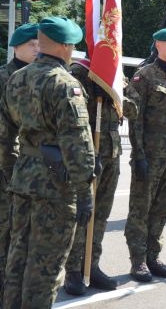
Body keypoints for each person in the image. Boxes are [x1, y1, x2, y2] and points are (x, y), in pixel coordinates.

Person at [0, 16, 95, 308]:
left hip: (23, 181)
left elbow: (5, 136)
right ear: (66, 47)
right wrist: (85, 195)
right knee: (46, 270)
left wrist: (12, 173)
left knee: (17, 261)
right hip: (56, 187)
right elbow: (78, 145)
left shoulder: (18, 78)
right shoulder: (66, 84)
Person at [63, 59, 138, 295]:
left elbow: (133, 110)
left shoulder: (114, 73)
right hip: (90, 154)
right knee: (83, 216)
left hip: (112, 154)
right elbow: (72, 114)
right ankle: (74, 271)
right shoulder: (79, 72)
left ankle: (92, 265)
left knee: (101, 215)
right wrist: (91, 91)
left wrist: (113, 93)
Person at [125, 27, 166, 282]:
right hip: (150, 156)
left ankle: (153, 256)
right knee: (141, 209)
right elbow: (135, 121)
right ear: (157, 45)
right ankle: (138, 261)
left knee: (161, 209)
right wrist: (139, 155)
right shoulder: (144, 76)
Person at [0, 22, 39, 300]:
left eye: (40, 44)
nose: (38, 49)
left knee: (21, 230)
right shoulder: (5, 77)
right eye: (31, 45)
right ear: (17, 48)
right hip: (7, 167)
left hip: (29, 170)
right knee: (5, 227)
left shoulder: (36, 77)